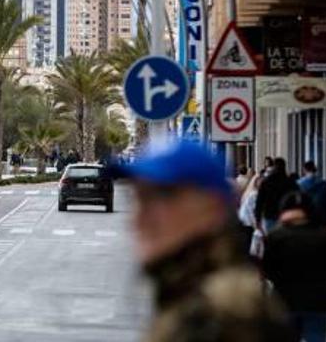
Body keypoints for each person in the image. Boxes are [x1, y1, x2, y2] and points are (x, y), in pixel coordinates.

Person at [118, 141, 293, 342]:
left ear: (212, 206)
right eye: (138, 199)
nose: (140, 219)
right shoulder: (183, 291)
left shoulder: (227, 312)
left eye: (163, 197)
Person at [263, 192, 326, 342]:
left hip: (284, 300)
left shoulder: (275, 237)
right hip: (318, 300)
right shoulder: (325, 236)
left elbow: (268, 269)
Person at [255, 157, 299, 234]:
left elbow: (260, 201)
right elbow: (297, 198)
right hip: (286, 215)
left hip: (270, 215)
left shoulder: (266, 182)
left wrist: (257, 218)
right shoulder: (290, 183)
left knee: (272, 239)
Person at [238, 171, 264, 258]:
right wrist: (255, 224)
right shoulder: (254, 195)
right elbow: (251, 210)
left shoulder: (255, 194)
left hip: (247, 221)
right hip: (248, 222)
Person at [298, 161, 326, 227]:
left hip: (305, 218)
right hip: (322, 218)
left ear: (304, 170)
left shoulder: (298, 184)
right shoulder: (324, 185)